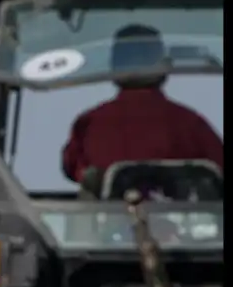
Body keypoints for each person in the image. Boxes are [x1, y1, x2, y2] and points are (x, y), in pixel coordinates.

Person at [62, 24, 224, 189]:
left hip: (112, 214)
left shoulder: (88, 124)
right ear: (164, 65)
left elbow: (72, 168)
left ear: (113, 66)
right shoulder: (191, 124)